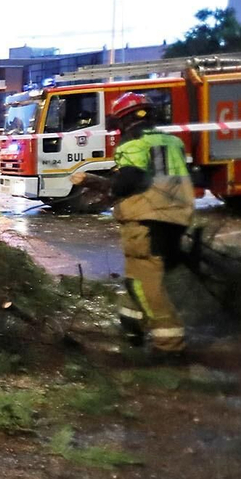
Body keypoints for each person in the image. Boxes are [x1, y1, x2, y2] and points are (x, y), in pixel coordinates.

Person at [72, 92, 193, 356]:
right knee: (137, 277)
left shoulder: (132, 144)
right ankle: (132, 325)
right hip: (176, 217)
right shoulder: (172, 141)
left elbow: (128, 182)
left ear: (123, 120)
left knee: (147, 283)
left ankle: (170, 345)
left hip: (146, 220)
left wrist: (100, 185)